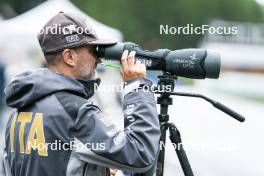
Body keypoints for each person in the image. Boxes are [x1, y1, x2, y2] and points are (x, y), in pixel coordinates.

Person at [2, 12, 160, 176]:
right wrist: (137, 87)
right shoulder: (73, 110)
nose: (98, 60)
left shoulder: (17, 110)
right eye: (93, 51)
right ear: (69, 56)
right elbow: (140, 154)